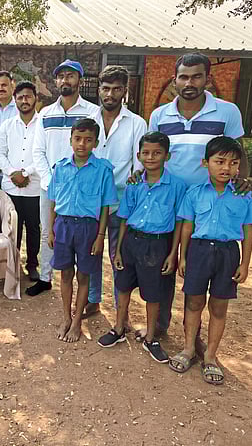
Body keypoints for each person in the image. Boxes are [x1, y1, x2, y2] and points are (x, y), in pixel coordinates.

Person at [146, 52, 250, 342]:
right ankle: (161, 325)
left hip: (206, 206)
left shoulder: (227, 112)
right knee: (165, 266)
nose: (189, 83)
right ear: (175, 79)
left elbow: (238, 151)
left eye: (196, 77)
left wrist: (242, 180)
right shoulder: (159, 115)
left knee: (199, 273)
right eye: (183, 77)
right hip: (168, 203)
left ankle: (194, 336)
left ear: (208, 78)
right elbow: (153, 153)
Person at [169, 137, 252, 385]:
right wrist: (182, 257)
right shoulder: (194, 193)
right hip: (198, 252)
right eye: (219, 162)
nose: (226, 168)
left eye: (233, 163)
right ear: (205, 163)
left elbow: (248, 230)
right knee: (193, 302)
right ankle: (189, 349)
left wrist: (245, 263)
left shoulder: (244, 195)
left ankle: (210, 356)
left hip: (228, 253)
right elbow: (187, 227)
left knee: (219, 307)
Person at [97, 132, 186, 363]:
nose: (151, 157)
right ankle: (119, 328)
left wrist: (173, 254)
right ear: (138, 156)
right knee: (123, 286)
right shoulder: (134, 184)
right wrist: (117, 249)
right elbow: (124, 218)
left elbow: (179, 222)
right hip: (131, 241)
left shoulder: (177, 186)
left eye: (157, 153)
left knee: (153, 294)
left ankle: (151, 337)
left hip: (158, 244)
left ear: (167, 156)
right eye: (146, 153)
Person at [47, 118, 117, 343]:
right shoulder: (60, 167)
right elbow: (52, 201)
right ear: (70, 140)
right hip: (63, 225)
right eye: (77, 139)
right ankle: (66, 317)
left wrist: (100, 236)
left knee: (84, 275)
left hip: (88, 228)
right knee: (65, 273)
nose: (82, 144)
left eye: (88, 140)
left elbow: (105, 206)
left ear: (95, 143)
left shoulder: (103, 170)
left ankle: (77, 320)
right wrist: (51, 230)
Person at [31, 59, 97, 297]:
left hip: (82, 187)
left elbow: (96, 149)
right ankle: (45, 277)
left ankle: (86, 289)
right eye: (61, 76)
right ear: (56, 81)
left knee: (83, 235)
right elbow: (38, 151)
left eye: (70, 75)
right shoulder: (46, 113)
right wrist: (50, 181)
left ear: (80, 80)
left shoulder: (92, 112)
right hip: (50, 185)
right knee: (47, 231)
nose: (65, 80)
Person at [87, 65, 148, 318]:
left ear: (125, 90)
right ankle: (92, 300)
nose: (110, 94)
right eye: (105, 88)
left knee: (118, 256)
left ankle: (119, 310)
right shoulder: (89, 118)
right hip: (90, 201)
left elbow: (139, 164)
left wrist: (134, 183)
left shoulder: (136, 123)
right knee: (91, 254)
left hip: (121, 201)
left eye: (116, 89)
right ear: (99, 89)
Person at [0, 80, 41, 281]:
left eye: (28, 96)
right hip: (11, 187)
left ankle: (32, 264)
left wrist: (26, 172)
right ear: (15, 100)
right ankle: (12, 263)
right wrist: (13, 173)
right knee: (12, 228)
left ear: (36, 98)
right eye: (20, 97)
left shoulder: (43, 125)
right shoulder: (7, 125)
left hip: (34, 187)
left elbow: (45, 154)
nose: (24, 100)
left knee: (33, 228)